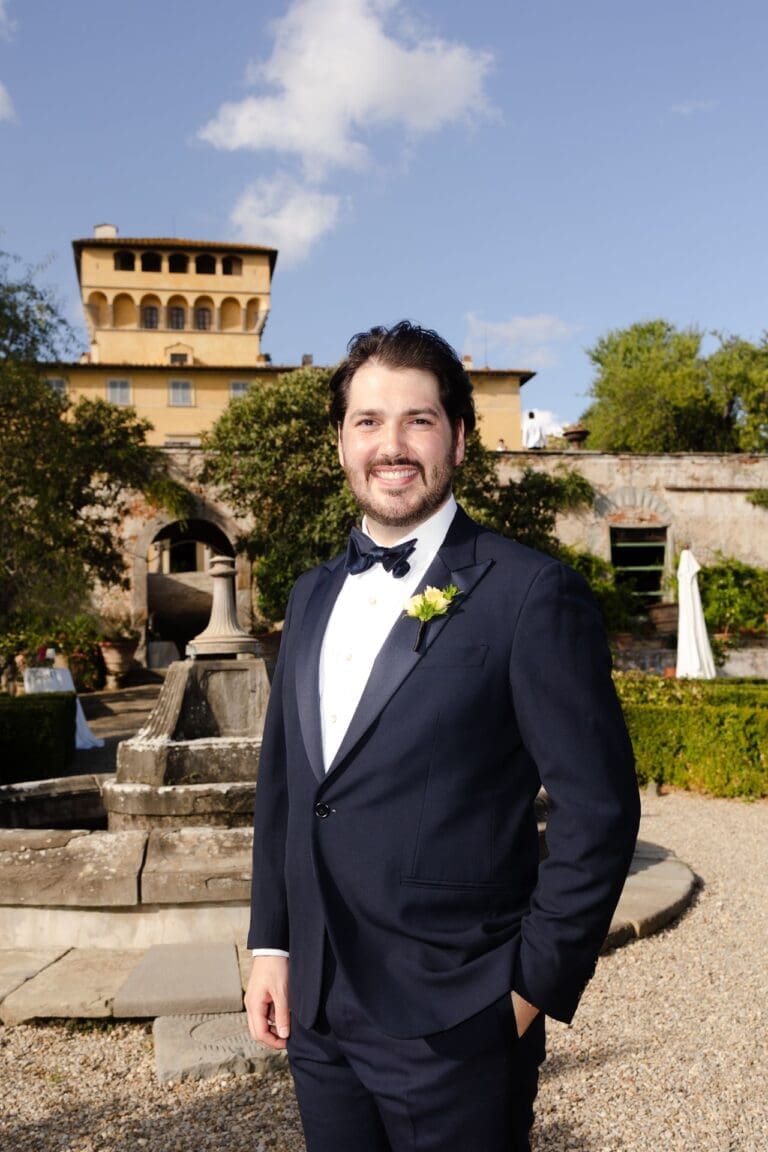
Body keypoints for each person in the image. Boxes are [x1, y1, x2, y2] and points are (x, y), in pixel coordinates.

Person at [245, 321, 640, 1152]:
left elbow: (598, 811)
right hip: (317, 1012)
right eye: (368, 421)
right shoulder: (309, 595)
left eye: (417, 420)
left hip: (459, 1018)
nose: (391, 445)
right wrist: (272, 944)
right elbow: (285, 787)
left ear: (459, 439)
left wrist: (526, 989)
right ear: (340, 443)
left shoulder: (531, 594)